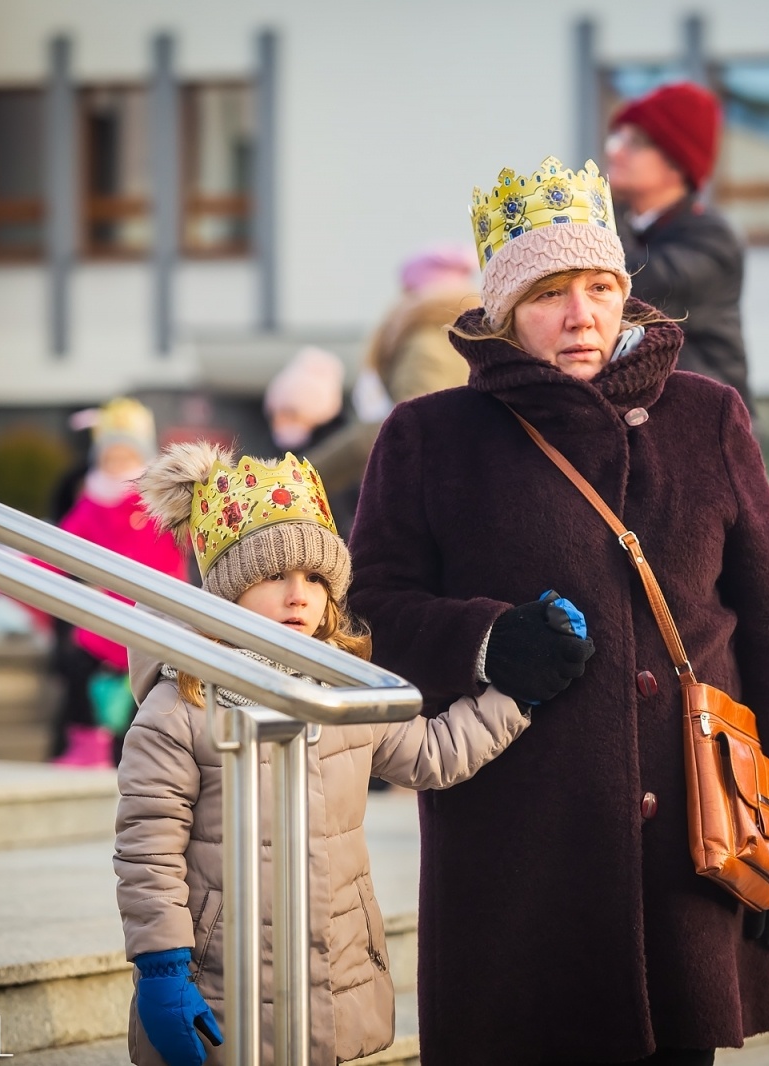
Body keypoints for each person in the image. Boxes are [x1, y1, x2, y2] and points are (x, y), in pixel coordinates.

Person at [349, 155, 769, 1064]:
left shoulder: (708, 416)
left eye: (602, 285)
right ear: (500, 310)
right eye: (551, 292)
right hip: (518, 846)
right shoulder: (426, 437)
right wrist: (492, 640)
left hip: (692, 833)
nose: (582, 315)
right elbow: (373, 610)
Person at [116, 442, 544, 1066]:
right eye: (274, 575)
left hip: (330, 967)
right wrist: (161, 964)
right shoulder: (180, 708)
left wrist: (517, 692)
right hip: (222, 978)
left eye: (316, 578)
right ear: (226, 590)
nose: (300, 595)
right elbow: (147, 846)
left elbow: (430, 752)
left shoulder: (341, 693)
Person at [51, 399, 188, 768]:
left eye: (127, 456)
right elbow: (57, 546)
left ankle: (138, 754)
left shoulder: (158, 500)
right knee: (79, 669)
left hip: (148, 617)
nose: (118, 466)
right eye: (111, 457)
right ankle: (89, 743)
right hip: (104, 616)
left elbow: (176, 552)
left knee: (146, 693)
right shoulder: (92, 502)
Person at [305, 247, 480, 533]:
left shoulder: (426, 346)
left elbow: (404, 427)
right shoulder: (467, 340)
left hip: (434, 508)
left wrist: (303, 478)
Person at [606, 82, 751, 408]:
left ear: (676, 162)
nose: (614, 151)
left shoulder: (713, 239)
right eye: (617, 138)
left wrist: (601, 208)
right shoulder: (632, 227)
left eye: (635, 143)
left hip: (711, 432)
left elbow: (632, 286)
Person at [263, 347, 348, 455]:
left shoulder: (333, 444)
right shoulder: (270, 448)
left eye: (293, 415)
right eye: (282, 413)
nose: (285, 422)